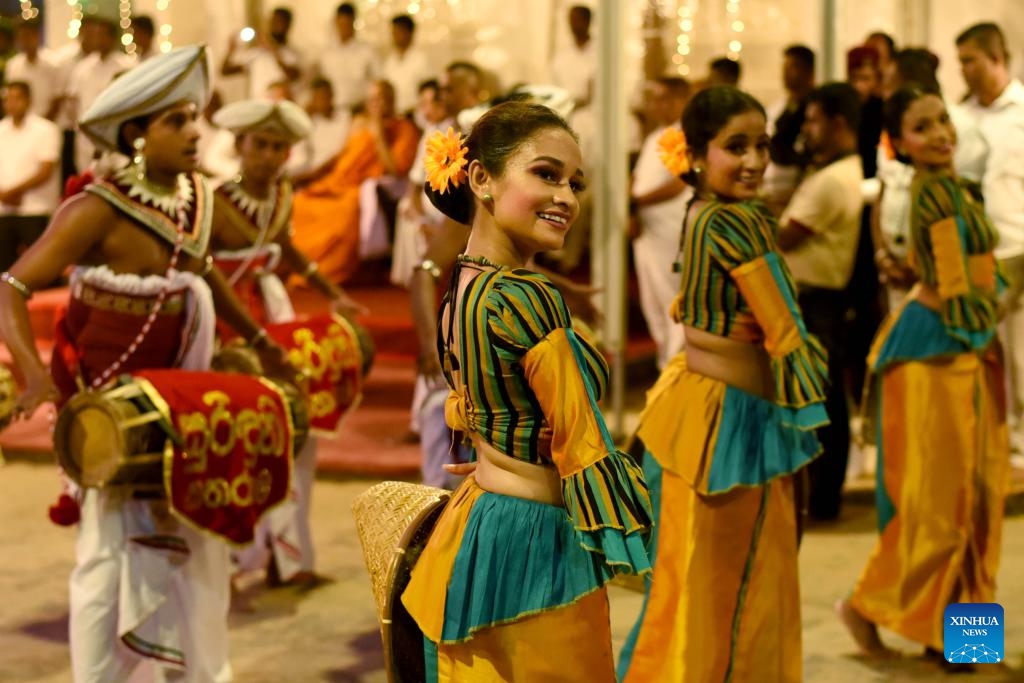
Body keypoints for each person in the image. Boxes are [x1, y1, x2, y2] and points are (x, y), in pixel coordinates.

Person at [0, 45, 290, 683]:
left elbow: (202, 272)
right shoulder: (96, 208)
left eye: (195, 118)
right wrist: (35, 375)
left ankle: (192, 670)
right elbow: (12, 286)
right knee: (103, 552)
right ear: (134, 134)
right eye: (176, 121)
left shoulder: (197, 200)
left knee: (194, 540)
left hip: (181, 402)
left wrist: (260, 343)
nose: (195, 133)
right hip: (109, 406)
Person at [399, 101, 653, 680]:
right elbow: (584, 442)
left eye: (574, 183)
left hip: (481, 523)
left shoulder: (460, 286)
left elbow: (476, 407)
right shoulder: (528, 297)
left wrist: (501, 442)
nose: (566, 196)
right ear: (481, 179)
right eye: (545, 174)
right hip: (539, 539)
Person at [618, 86, 828, 683]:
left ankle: (959, 640)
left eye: (762, 145)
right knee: (738, 586)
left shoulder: (706, 214)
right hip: (735, 421)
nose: (756, 160)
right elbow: (785, 330)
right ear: (696, 154)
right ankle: (960, 641)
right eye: (737, 146)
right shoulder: (733, 221)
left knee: (696, 582)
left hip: (707, 411)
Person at [837, 87, 1009, 669]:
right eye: (922, 127)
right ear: (900, 142)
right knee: (945, 505)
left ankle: (963, 643)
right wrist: (1000, 302)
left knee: (978, 498)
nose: (939, 134)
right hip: (940, 350)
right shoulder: (934, 195)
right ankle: (866, 607)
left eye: (942, 121)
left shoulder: (957, 189)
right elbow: (959, 290)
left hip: (965, 349)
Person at [209, 98, 365, 588]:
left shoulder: (281, 196)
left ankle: (288, 557)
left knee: (296, 431)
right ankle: (234, 559)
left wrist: (333, 295)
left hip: (271, 317)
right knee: (237, 440)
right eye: (261, 145)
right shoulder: (213, 201)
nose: (270, 155)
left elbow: (290, 250)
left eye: (280, 147)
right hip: (223, 326)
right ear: (239, 146)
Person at [777, 82, 864, 522]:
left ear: (837, 122)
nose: (807, 129)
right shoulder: (838, 171)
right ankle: (822, 495)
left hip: (816, 300)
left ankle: (822, 497)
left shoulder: (831, 180)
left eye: (813, 119)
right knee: (822, 398)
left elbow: (786, 235)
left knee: (819, 401)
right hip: (820, 298)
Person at [956, 23, 1024, 462]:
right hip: (975, 251)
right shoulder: (959, 117)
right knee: (986, 351)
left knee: (1020, 353)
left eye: (970, 60)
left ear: (996, 57)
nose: (963, 70)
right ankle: (997, 441)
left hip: (1019, 244)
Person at [290, 79, 420, 283]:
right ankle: (303, 268)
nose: (376, 104)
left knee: (344, 215)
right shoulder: (359, 122)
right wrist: (313, 174)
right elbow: (343, 156)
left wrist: (379, 136)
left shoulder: (404, 128)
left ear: (392, 101)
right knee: (299, 203)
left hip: (363, 187)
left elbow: (395, 170)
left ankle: (328, 273)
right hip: (337, 182)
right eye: (372, 100)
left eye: (381, 99)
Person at [629, 76, 692, 369]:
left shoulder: (684, 135)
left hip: (670, 228)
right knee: (652, 301)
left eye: (663, 98)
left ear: (680, 100)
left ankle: (678, 364)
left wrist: (637, 203)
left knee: (672, 298)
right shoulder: (656, 136)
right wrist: (630, 209)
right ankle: (666, 363)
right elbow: (638, 180)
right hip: (647, 231)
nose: (656, 105)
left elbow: (680, 183)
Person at [0, 81, 61, 272]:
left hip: (36, 208)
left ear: (28, 100)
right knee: (4, 269)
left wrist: (14, 191)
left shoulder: (46, 129)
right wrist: (4, 195)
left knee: (42, 268)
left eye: (17, 98)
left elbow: (46, 170)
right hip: (3, 209)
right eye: (7, 99)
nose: (12, 104)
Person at [221, 7, 302, 101]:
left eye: (279, 22)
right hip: (257, 105)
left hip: (281, 105)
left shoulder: (292, 54)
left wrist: (273, 50)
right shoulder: (256, 53)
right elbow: (225, 71)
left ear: (288, 25)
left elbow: (294, 76)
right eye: (272, 21)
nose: (274, 25)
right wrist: (231, 51)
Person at [315, 3, 377, 112]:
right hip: (331, 112)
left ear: (353, 22)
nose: (344, 28)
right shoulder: (326, 52)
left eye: (347, 24)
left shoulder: (367, 51)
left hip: (358, 110)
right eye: (341, 23)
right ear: (336, 22)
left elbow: (377, 81)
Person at [4, 19, 61, 120]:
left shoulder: (53, 63)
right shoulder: (13, 65)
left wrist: (44, 122)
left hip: (48, 121)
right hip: (20, 122)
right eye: (22, 37)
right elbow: (10, 97)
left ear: (37, 36)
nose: (25, 41)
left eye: (28, 36)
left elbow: (57, 98)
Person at [381, 14, 432, 118]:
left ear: (409, 33)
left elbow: (429, 93)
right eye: (393, 32)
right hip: (392, 117)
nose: (394, 36)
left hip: (414, 117)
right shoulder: (390, 61)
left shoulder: (421, 60)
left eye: (398, 32)